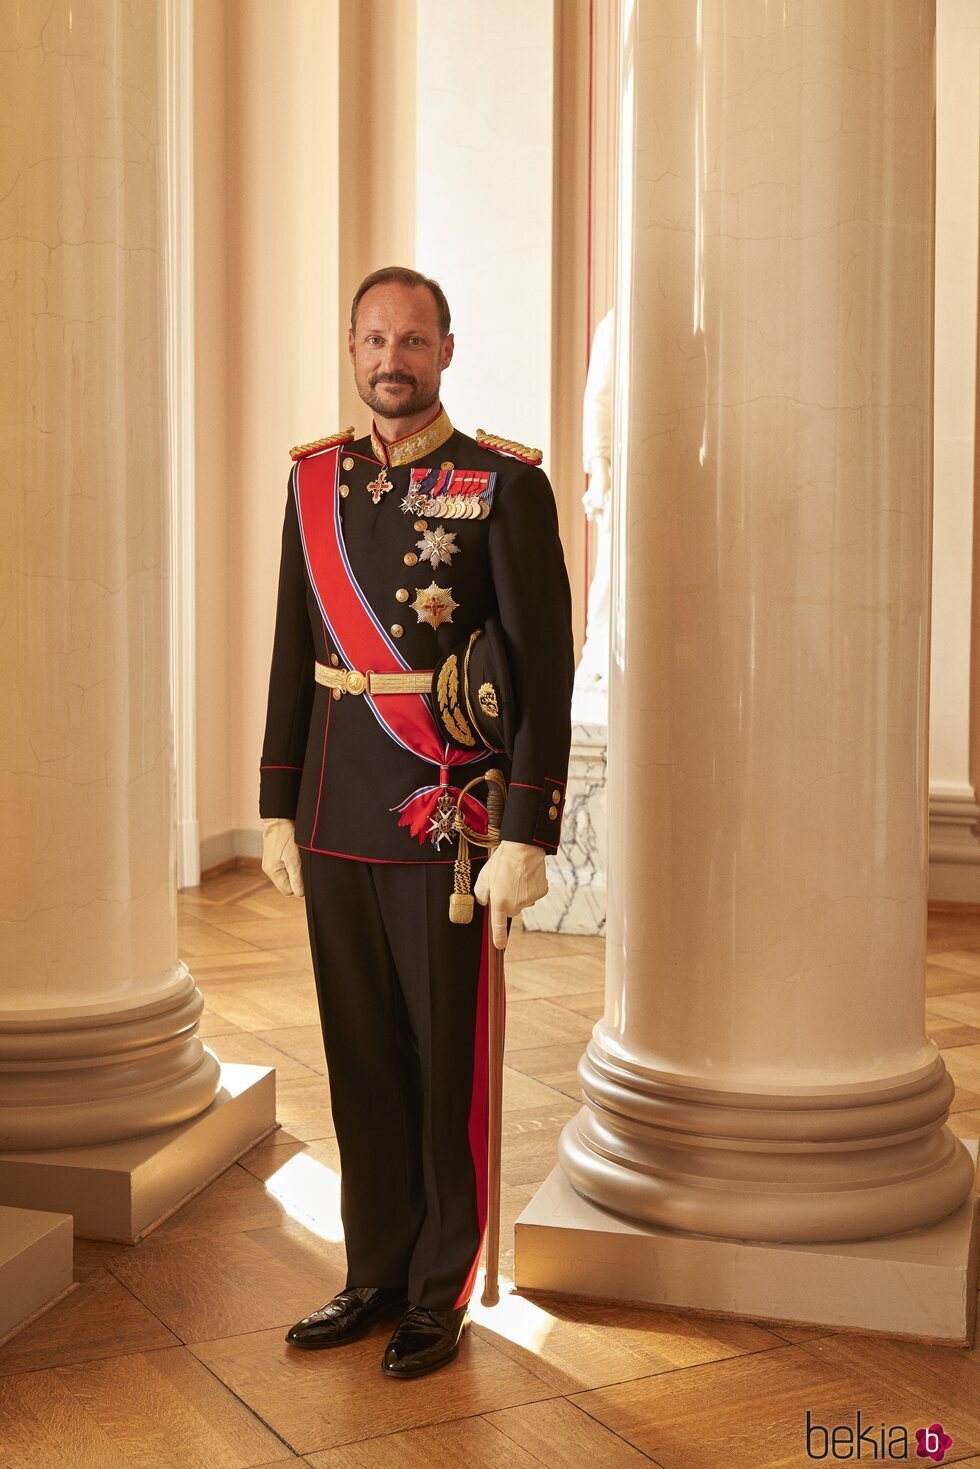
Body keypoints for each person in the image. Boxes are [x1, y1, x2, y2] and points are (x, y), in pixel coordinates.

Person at [258, 265, 574, 1378]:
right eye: (373, 339)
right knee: (359, 1059)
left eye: (412, 339)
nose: (391, 358)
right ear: (350, 350)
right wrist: (272, 800)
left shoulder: (500, 483)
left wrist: (528, 829)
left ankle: (439, 1284)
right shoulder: (312, 483)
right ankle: (373, 1268)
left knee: (444, 1059)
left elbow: (543, 665)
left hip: (447, 813)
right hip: (336, 806)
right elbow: (295, 649)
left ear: (445, 348)